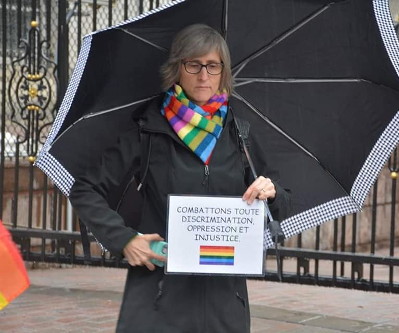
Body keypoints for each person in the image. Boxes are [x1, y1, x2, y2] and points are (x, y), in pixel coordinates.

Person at [69, 24, 291, 333]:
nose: (203, 76)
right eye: (194, 64)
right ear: (178, 69)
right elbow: (85, 189)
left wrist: (273, 192)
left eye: (213, 66)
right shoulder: (148, 129)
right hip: (159, 300)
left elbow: (282, 202)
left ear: (223, 72)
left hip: (225, 303)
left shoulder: (241, 134)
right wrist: (125, 240)